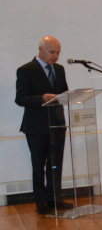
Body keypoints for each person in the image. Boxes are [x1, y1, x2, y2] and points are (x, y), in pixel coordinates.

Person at [15, 36, 69, 214]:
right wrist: (41, 99)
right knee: (39, 164)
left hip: (57, 124)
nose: (56, 56)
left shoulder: (59, 70)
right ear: (41, 49)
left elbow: (64, 93)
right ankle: (40, 201)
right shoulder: (26, 70)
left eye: (58, 53)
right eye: (52, 52)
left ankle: (54, 198)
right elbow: (20, 99)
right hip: (36, 127)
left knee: (56, 164)